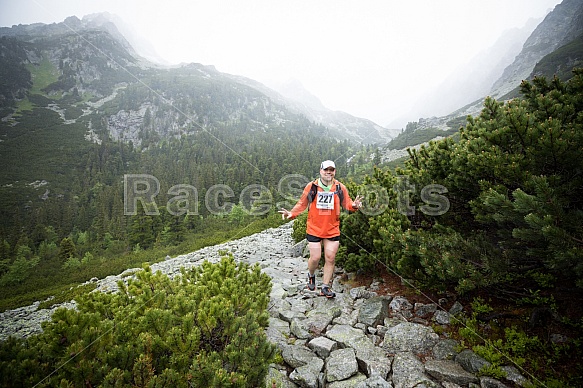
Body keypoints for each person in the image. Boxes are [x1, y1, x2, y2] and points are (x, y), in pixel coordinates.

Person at [279, 160, 363, 298]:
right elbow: (302, 203)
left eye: (332, 170)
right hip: (314, 228)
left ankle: (325, 287)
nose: (329, 172)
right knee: (315, 258)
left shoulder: (340, 187)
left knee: (330, 258)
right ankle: (311, 275)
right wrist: (292, 213)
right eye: (326, 169)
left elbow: (347, 204)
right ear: (320, 171)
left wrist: (354, 205)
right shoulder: (311, 187)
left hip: (332, 229)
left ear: (334, 171)